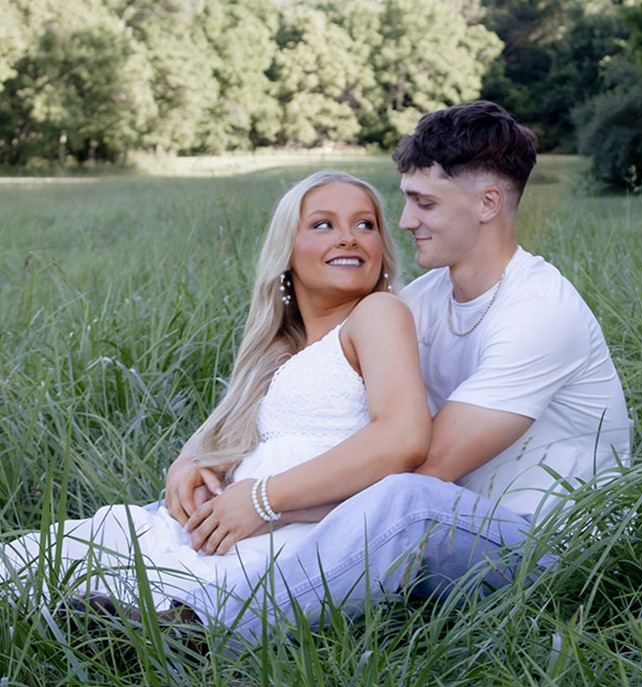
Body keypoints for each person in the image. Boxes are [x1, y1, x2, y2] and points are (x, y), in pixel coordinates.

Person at [159, 100, 631, 642]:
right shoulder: (425, 298)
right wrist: (193, 458)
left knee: (402, 501)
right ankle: (146, 586)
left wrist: (270, 505)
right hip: (451, 520)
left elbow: (425, 470)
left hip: (552, 550)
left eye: (424, 204)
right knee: (358, 497)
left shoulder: (539, 313)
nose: (404, 222)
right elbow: (324, 380)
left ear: (488, 203)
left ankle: (211, 630)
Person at [2, 171, 431, 621]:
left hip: (302, 525)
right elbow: (233, 431)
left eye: (366, 225)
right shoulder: (283, 349)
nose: (349, 238)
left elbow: (402, 437)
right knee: (49, 557)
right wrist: (187, 462)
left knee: (176, 592)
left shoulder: (378, 314)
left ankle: (156, 628)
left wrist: (263, 500)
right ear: (285, 251)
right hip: (239, 518)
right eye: (323, 225)